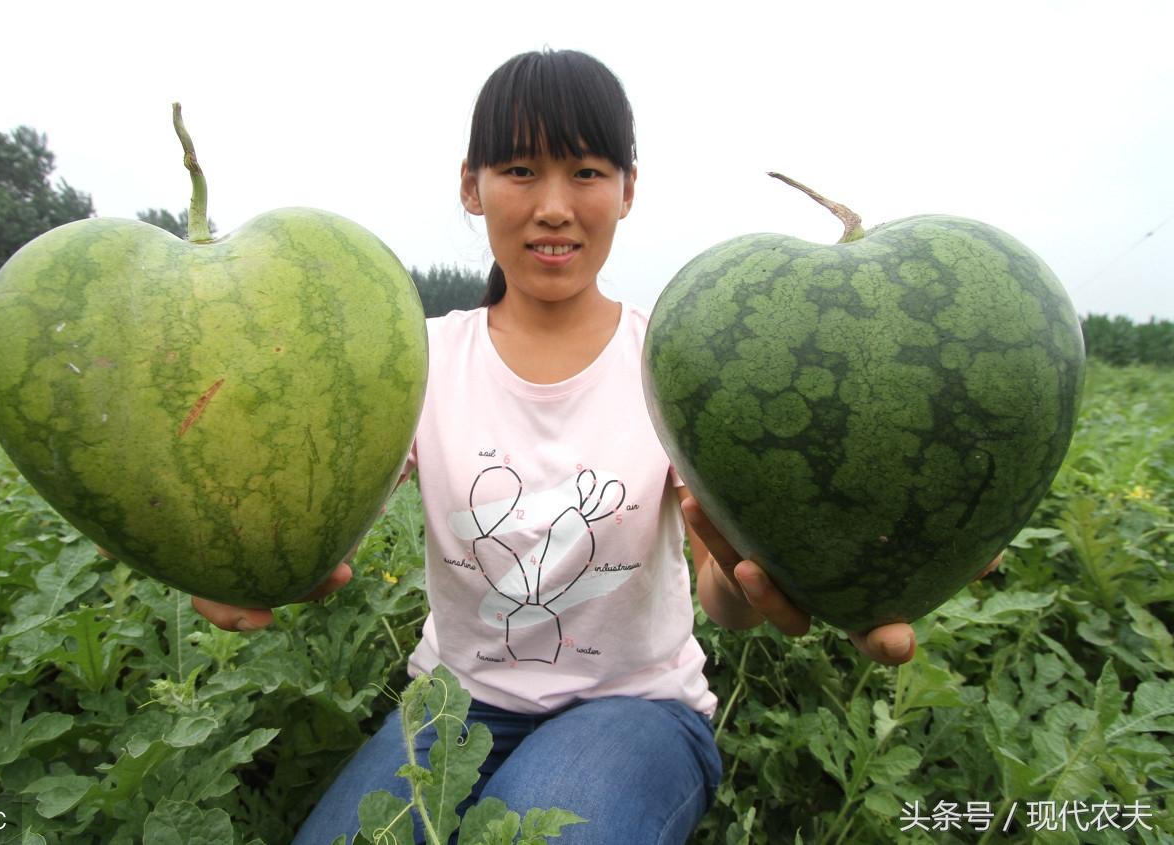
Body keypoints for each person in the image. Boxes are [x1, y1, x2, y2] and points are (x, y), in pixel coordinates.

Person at [192, 49, 990, 845]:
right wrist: (240, 559)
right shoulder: (417, 361)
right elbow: (317, 507)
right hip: (451, 704)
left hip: (639, 710)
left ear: (627, 189)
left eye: (584, 172)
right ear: (470, 185)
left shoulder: (676, 365)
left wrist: (773, 579)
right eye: (518, 170)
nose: (552, 206)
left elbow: (720, 590)